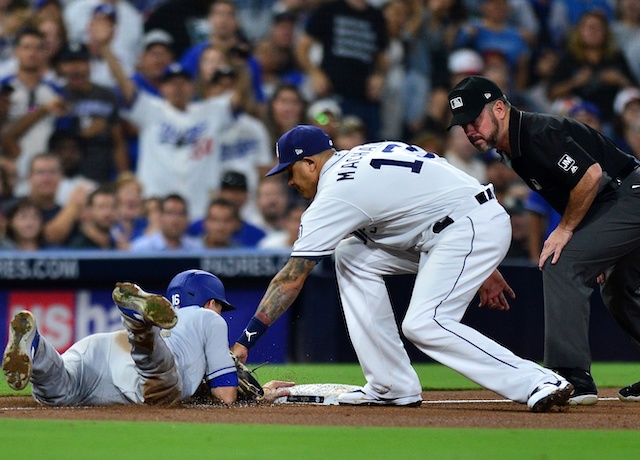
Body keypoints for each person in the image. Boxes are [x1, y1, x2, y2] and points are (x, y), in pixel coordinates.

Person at [231, 124, 573, 413]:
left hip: (463, 228)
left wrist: (246, 342)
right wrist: (477, 260)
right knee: (351, 253)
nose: (289, 183)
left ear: (309, 163)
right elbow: (424, 192)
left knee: (425, 323)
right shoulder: (365, 153)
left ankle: (539, 380)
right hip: (460, 224)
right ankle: (390, 384)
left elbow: (290, 279)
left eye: (289, 171)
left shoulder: (334, 193)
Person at [447, 75, 640, 404]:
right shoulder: (512, 147)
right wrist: (592, 243)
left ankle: (571, 376)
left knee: (561, 262)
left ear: (499, 108)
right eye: (464, 125)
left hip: (628, 194)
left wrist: (566, 231)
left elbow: (590, 176)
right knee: (617, 288)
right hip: (619, 198)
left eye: (474, 119)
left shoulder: (537, 132)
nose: (470, 130)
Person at [2, 269, 293, 405]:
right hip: (150, 364)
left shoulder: (179, 319)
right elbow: (226, 396)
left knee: (58, 389)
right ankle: (139, 322)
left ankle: (37, 347)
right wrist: (258, 397)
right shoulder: (209, 318)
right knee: (159, 376)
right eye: (219, 305)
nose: (220, 311)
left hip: (100, 348)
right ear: (210, 302)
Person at [130, 194, 200, 252]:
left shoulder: (196, 249)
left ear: (187, 218)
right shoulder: (140, 249)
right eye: (170, 213)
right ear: (160, 216)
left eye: (180, 214)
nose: (175, 219)